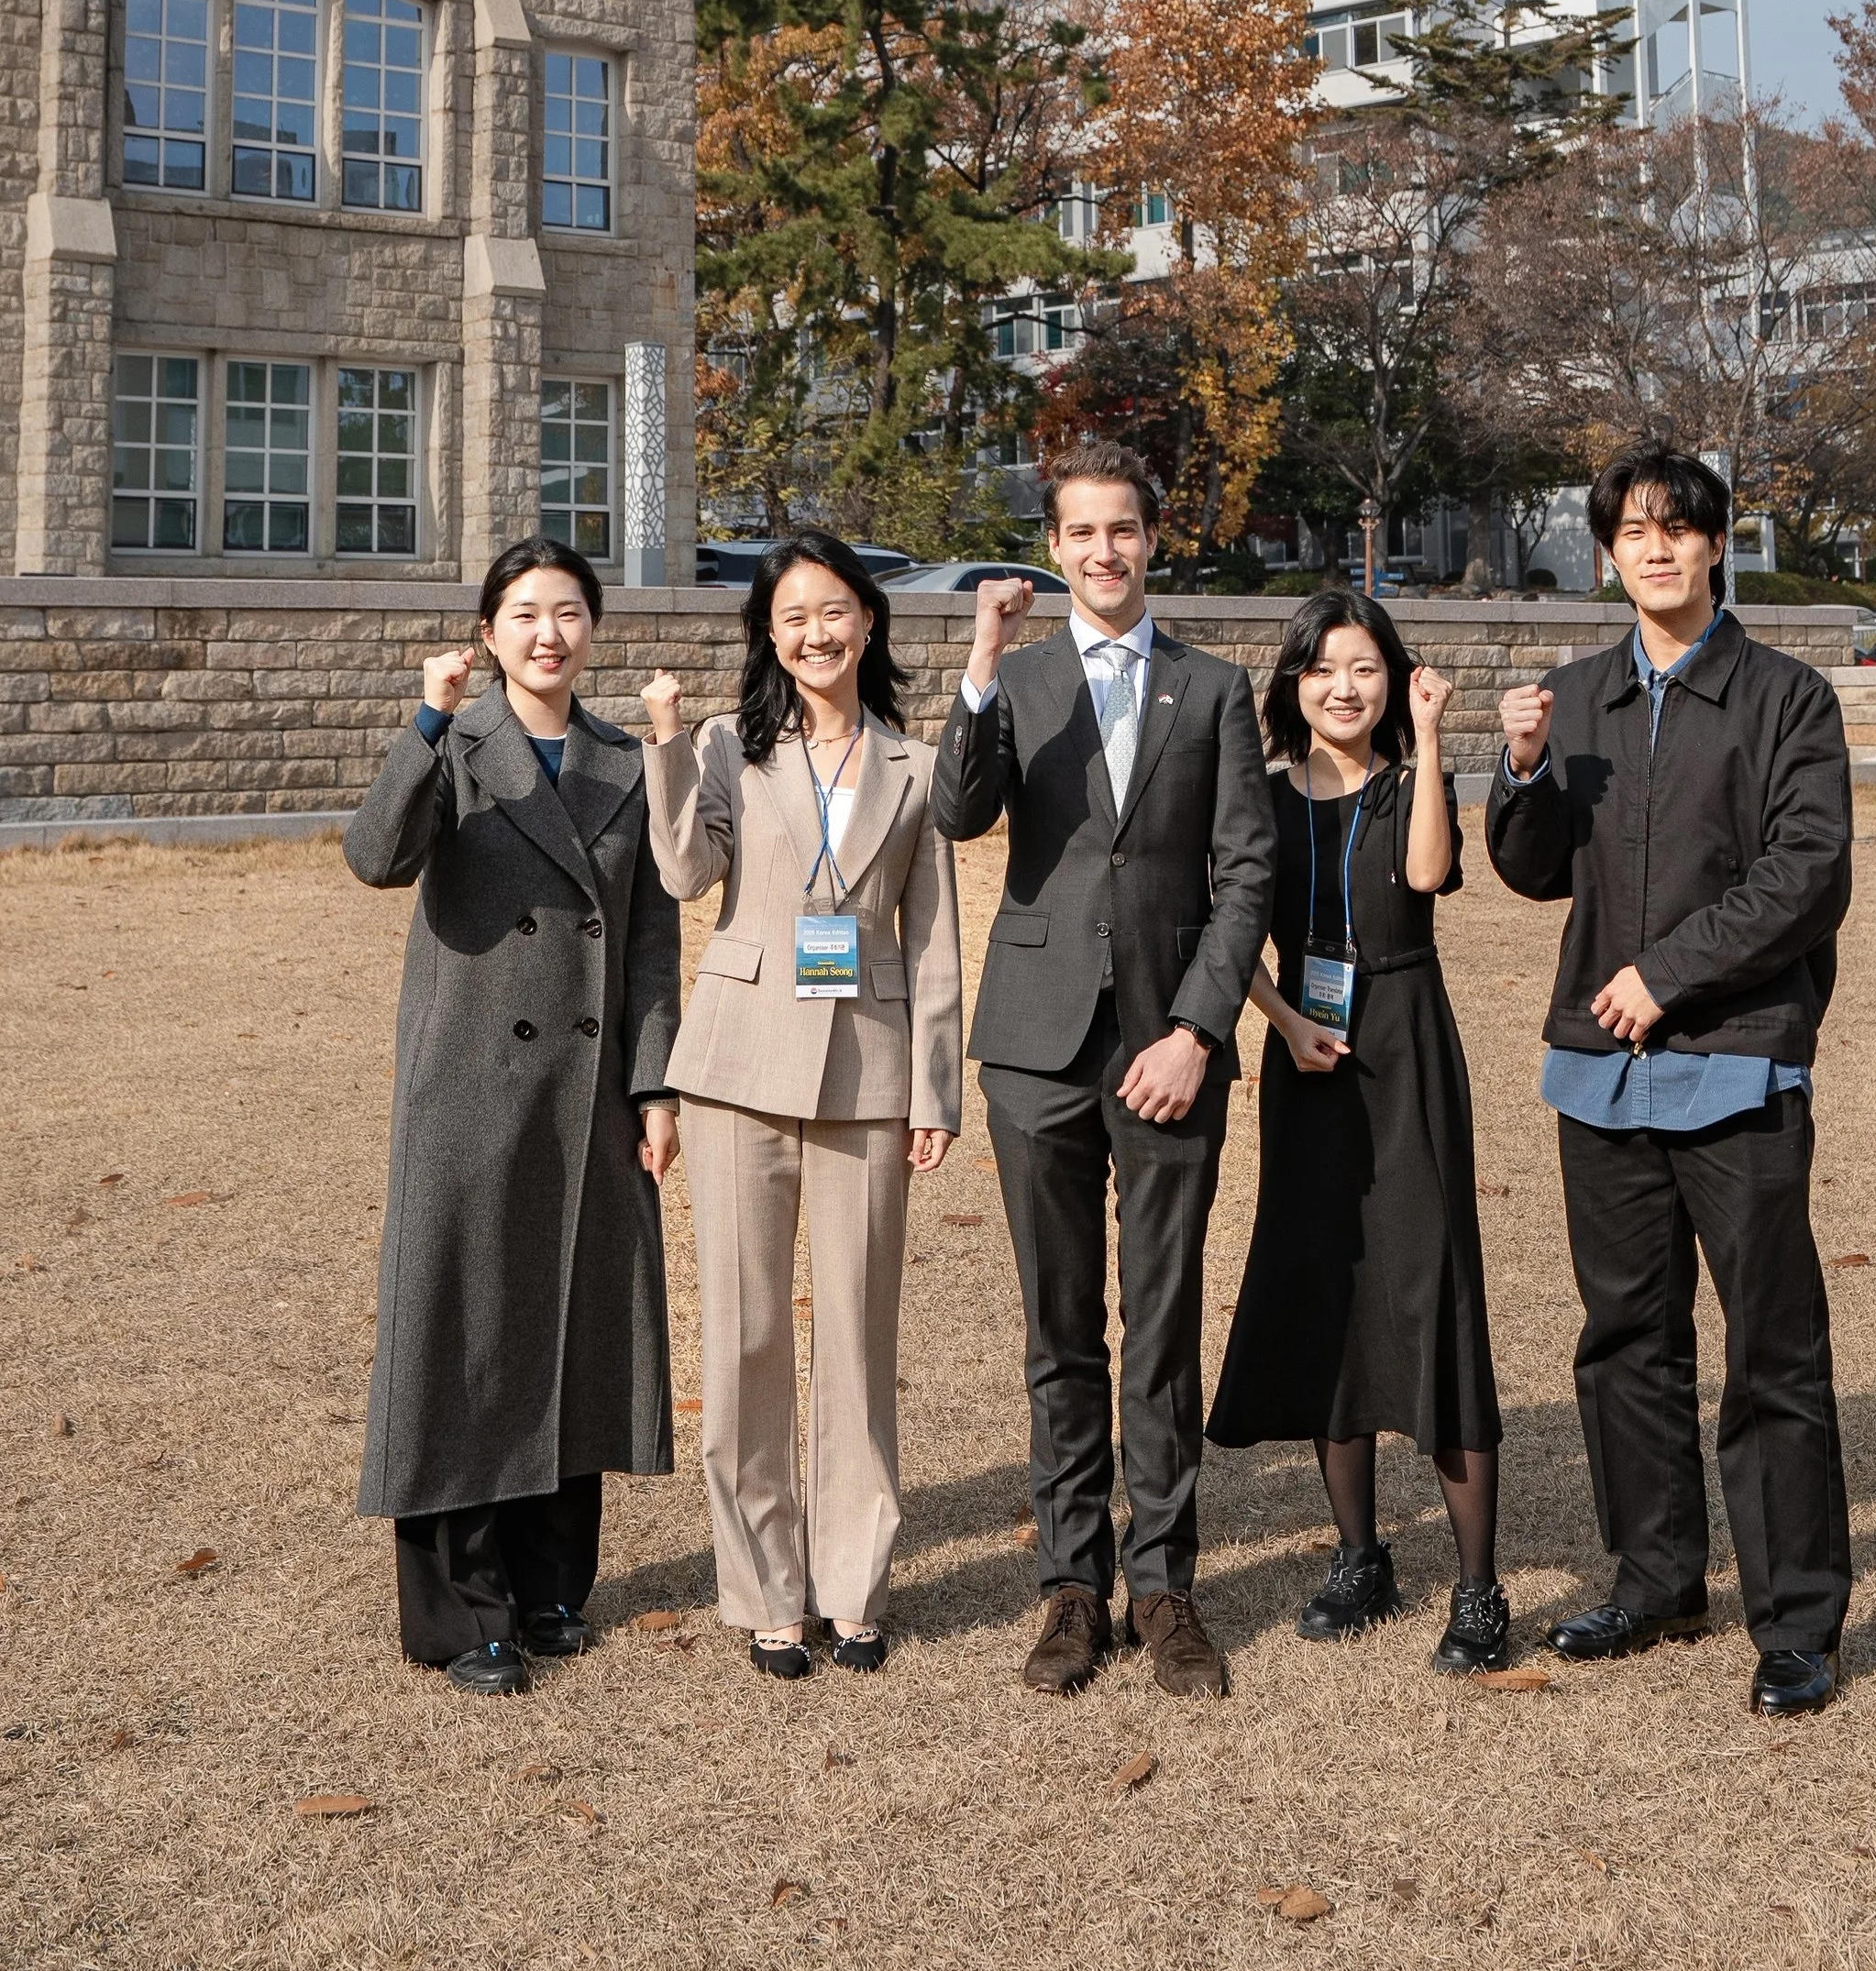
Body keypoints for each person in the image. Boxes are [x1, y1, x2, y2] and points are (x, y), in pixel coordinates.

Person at [1488, 446, 1854, 1719]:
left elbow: (1807, 872)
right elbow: (1537, 873)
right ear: (1607, 555)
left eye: (1678, 528)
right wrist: (1523, 769)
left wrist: (1666, 973)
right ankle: (1654, 1577)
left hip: (1736, 1060)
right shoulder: (1578, 692)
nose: (1656, 548)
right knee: (1625, 1342)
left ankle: (1796, 1621)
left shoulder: (1788, 698)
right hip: (1601, 1078)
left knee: (1771, 1351)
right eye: (1634, 531)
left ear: (1715, 544)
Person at [933, 440, 1277, 1699]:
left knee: (1163, 1323)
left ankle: (1166, 1583)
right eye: (1080, 531)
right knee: (1060, 1330)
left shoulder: (1215, 685)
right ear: (1055, 544)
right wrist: (977, 659)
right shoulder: (1016, 678)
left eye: (1123, 528)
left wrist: (1196, 1028)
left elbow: (1245, 871)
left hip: (1167, 1047)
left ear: (1151, 537)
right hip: (1034, 1047)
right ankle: (1072, 1587)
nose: (1103, 551)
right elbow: (959, 812)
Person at [347, 539, 682, 1696]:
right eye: (525, 612)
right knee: (469, 1328)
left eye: (570, 611)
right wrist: (426, 724)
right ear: (487, 632)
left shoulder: (622, 758)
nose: (550, 632)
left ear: (594, 629)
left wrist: (656, 1082)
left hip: (585, 1092)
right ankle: (463, 1606)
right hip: (471, 1089)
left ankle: (548, 1587)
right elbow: (375, 855)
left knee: (573, 1319)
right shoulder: (458, 741)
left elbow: (648, 938)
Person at [640, 533, 962, 1679]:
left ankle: (853, 1584)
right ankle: (767, 1588)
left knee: (859, 1339)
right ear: (768, 636)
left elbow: (931, 941)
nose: (816, 632)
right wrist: (670, 745)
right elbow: (684, 872)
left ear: (869, 623)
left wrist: (936, 1085)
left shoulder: (916, 767)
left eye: (834, 610)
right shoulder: (728, 746)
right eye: (792, 617)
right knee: (746, 1333)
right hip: (734, 1068)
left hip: (871, 1072)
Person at [1208, 597, 1509, 1672]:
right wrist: (1281, 1022)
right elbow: (1227, 929)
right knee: (1328, 1291)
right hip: (1305, 1057)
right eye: (1325, 668)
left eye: (1367, 667)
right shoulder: (1258, 797)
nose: (1346, 686)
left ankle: (1477, 1587)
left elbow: (1426, 875)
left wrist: (1429, 740)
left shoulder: (1405, 780)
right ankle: (1359, 1555)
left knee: (1432, 1289)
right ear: (1293, 682)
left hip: (1407, 1042)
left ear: (1396, 677)